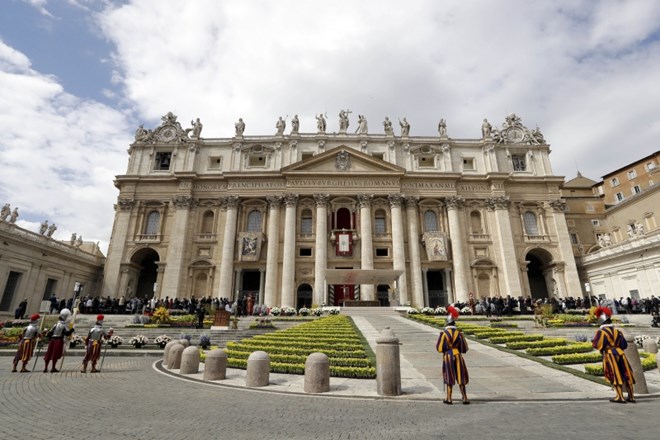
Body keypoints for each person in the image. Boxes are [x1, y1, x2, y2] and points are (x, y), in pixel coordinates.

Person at [592, 306, 635, 403]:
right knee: (626, 373)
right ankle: (631, 396)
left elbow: (597, 344)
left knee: (614, 374)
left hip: (610, 354)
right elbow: (624, 344)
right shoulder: (617, 331)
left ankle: (620, 396)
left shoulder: (601, 332)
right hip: (620, 353)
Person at [435, 305, 470, 404]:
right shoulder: (459, 333)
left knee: (449, 375)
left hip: (448, 356)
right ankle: (465, 398)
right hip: (458, 355)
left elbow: (439, 348)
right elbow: (464, 348)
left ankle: (449, 398)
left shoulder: (444, 334)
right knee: (461, 375)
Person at [43, 308, 74, 373]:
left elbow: (50, 333)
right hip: (58, 340)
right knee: (55, 353)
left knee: (49, 353)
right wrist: (72, 330)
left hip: (52, 340)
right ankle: (53, 367)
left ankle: (46, 368)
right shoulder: (64, 325)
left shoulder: (55, 324)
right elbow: (67, 333)